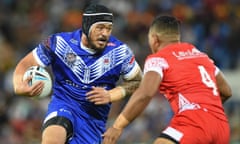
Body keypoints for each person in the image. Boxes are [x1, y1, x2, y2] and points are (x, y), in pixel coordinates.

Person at [12, 4, 142, 144]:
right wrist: (19, 85)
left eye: (108, 29)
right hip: (64, 104)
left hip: (93, 122)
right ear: (86, 26)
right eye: (100, 28)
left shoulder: (120, 52)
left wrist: (112, 95)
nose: (105, 33)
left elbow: (137, 81)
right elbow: (27, 63)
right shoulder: (59, 43)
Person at [103, 15, 232, 144]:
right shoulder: (200, 55)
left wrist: (117, 126)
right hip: (221, 127)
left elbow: (145, 94)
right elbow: (226, 91)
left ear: (154, 39)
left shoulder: (158, 59)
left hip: (192, 124)